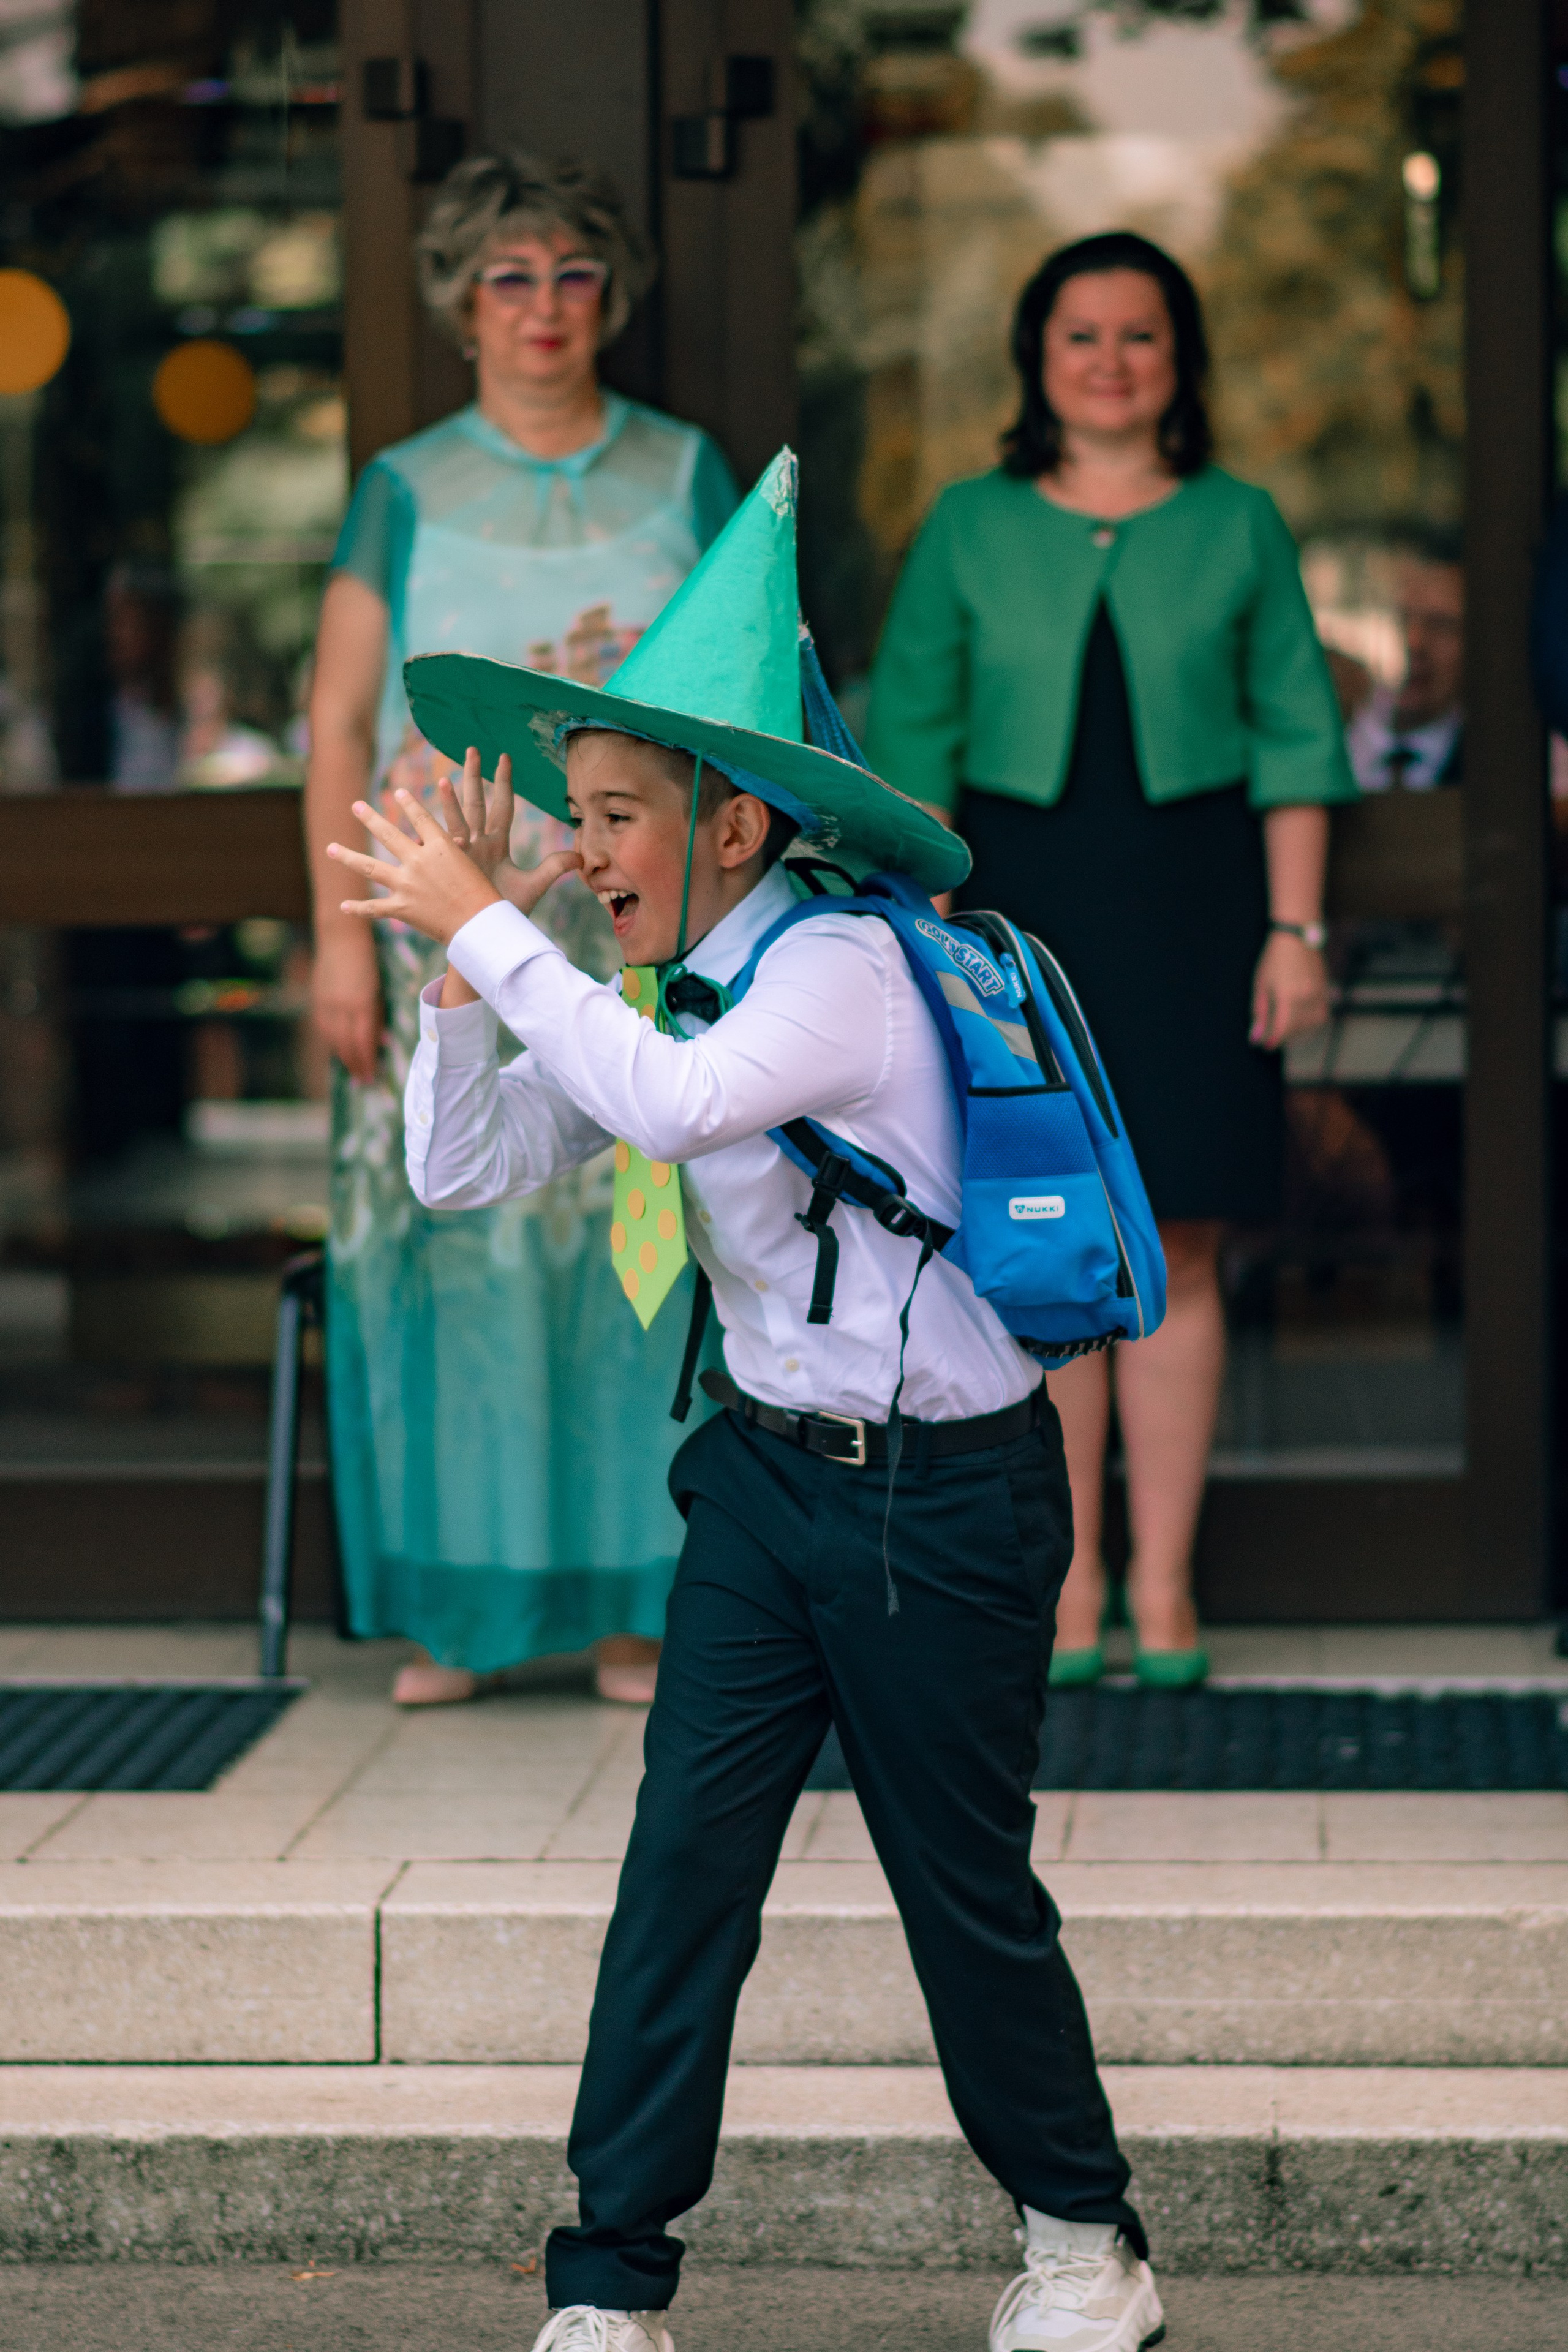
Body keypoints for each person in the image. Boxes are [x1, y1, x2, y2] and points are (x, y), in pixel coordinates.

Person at [325, 453, 1166, 2352]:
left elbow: (671, 1109)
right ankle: (611, 2282)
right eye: (576, 812)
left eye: (617, 813)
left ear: (731, 824)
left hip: (943, 1499)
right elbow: (466, 1165)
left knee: (963, 1894)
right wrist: (461, 970)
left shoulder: (841, 970)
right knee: (680, 1879)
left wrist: (494, 931)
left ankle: (1086, 2245)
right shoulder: (665, 987)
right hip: (766, 1488)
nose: (585, 845)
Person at [866, 231, 1355, 1686]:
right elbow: (911, 749)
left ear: (1178, 357)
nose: (1107, 360)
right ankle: (1069, 1582)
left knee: (1181, 1240)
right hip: (1013, 920)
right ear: (1035, 357)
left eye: (1137, 333)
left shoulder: (1240, 522)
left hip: (1197, 916)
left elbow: (1294, 739)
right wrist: (923, 946)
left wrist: (1295, 931)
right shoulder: (966, 524)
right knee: (1049, 1244)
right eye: (1078, 334)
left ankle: (1165, 1584)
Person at [304, 151, 737, 1708]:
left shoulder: (684, 471)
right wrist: (337, 941)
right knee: (457, 1262)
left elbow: (745, 697)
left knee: (640, 1255)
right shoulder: (403, 488)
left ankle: (637, 1604)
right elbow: (336, 721)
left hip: (642, 932)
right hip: (436, 933)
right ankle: (461, 1616)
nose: (541, 307)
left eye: (570, 275)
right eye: (507, 278)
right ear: (459, 305)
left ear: (610, 297)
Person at [1345, 529, 1464, 791]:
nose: (1414, 642)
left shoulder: (1495, 767)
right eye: (1401, 619)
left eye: (1441, 624)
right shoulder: (1320, 744)